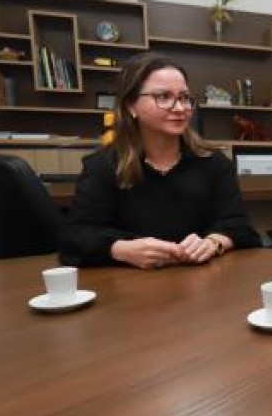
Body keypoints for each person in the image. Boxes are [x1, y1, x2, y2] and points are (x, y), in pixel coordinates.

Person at [60, 52, 261, 268]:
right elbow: (76, 237)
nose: (180, 108)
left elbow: (240, 227)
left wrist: (215, 242)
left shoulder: (214, 163)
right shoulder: (103, 166)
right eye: (163, 96)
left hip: (202, 280)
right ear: (130, 105)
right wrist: (122, 249)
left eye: (184, 97)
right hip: (131, 284)